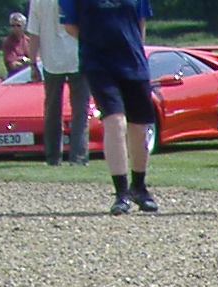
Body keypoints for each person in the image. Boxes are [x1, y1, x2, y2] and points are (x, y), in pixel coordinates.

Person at [61, 0, 156, 207]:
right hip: (98, 63)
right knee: (115, 121)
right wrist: (96, 42)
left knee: (139, 126)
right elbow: (70, 25)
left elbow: (140, 21)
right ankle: (121, 193)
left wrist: (135, 49)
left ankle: (138, 187)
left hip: (133, 62)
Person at [27, 0, 84, 156]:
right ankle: (79, 155)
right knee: (80, 110)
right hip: (78, 57)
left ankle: (53, 155)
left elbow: (34, 33)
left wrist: (33, 62)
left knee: (52, 110)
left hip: (51, 59)